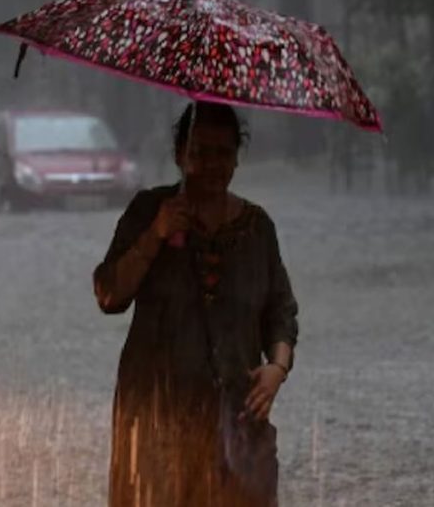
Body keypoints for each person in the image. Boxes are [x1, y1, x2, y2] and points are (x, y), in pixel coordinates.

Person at [93, 101, 299, 506]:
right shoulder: (149, 210)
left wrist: (276, 368)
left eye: (222, 153)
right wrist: (155, 234)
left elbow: (281, 312)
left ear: (237, 159)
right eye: (199, 152)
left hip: (235, 418)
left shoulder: (257, 229)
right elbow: (109, 294)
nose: (210, 164)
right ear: (179, 155)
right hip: (156, 416)